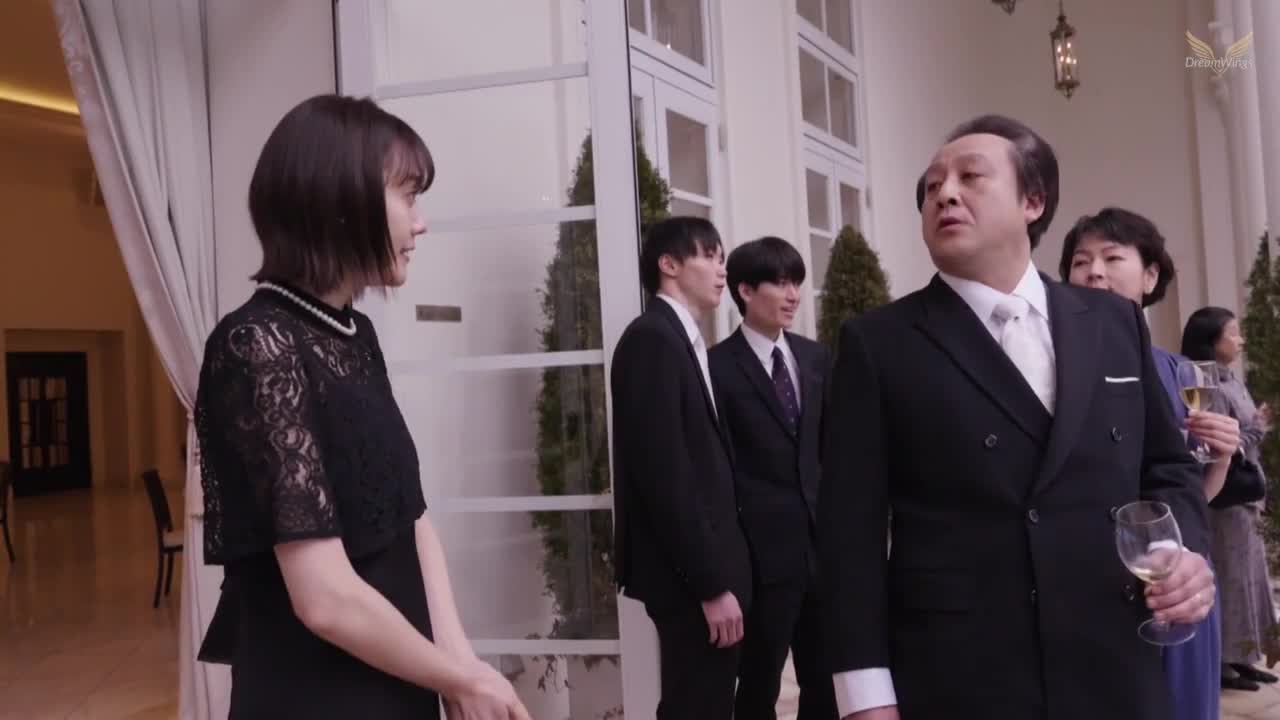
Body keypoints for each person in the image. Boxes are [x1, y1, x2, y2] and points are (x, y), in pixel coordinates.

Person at [820, 114, 1215, 720]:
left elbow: (1167, 467)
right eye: (931, 186)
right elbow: (849, 533)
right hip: (962, 675)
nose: (944, 193)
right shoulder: (880, 343)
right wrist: (865, 697)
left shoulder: (1111, 322)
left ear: (1033, 201)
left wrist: (1179, 552)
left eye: (971, 177)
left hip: (1113, 665)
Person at [193, 95, 529, 720]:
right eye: (408, 196)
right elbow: (323, 598)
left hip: (397, 666)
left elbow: (410, 517)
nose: (421, 223)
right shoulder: (254, 343)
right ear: (338, 198)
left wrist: (459, 664)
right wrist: (456, 676)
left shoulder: (354, 333)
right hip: (317, 692)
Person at [1060, 207, 1240, 719]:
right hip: (1092, 581)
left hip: (1174, 579)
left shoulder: (1177, 372)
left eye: (1112, 258)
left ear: (1150, 275)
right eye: (1080, 261)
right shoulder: (1056, 366)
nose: (1094, 272)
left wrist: (1220, 459)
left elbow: (1187, 497)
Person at [610, 216, 753, 719]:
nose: (721, 270)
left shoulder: (682, 340)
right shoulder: (652, 339)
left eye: (723, 258)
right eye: (709, 256)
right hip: (689, 582)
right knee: (697, 707)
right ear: (669, 265)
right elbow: (665, 475)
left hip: (705, 572)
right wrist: (710, 585)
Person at [708, 237, 837, 720]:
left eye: (797, 283)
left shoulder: (816, 358)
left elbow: (832, 452)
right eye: (780, 283)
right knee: (757, 689)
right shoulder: (716, 368)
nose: (793, 295)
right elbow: (718, 469)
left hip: (821, 554)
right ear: (745, 290)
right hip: (759, 560)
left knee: (825, 685)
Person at [1182, 307, 1280, 689]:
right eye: (1233, 333)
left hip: (1246, 495)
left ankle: (1244, 656)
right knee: (1230, 577)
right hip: (1225, 496)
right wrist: (1260, 426)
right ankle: (1224, 662)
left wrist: (1255, 425)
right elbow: (1220, 444)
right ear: (1211, 340)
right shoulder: (1203, 384)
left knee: (1250, 578)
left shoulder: (1231, 379)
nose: (1240, 340)